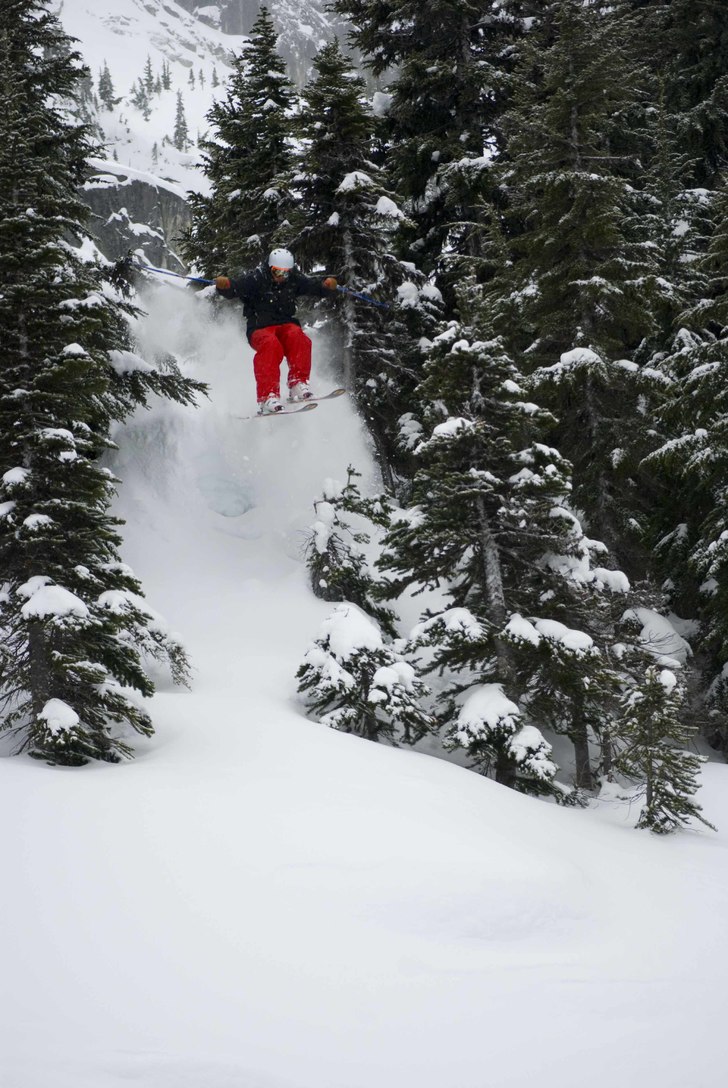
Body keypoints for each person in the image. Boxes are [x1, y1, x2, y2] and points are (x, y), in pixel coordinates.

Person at [215, 248, 338, 414]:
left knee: (298, 337)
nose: (282, 276)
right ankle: (268, 396)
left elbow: (312, 286)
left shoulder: (293, 279)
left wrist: (326, 287)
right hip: (259, 327)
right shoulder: (257, 278)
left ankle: (297, 383)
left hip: (285, 324)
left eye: (286, 273)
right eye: (277, 272)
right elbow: (236, 288)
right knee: (271, 345)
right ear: (269, 268)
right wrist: (225, 286)